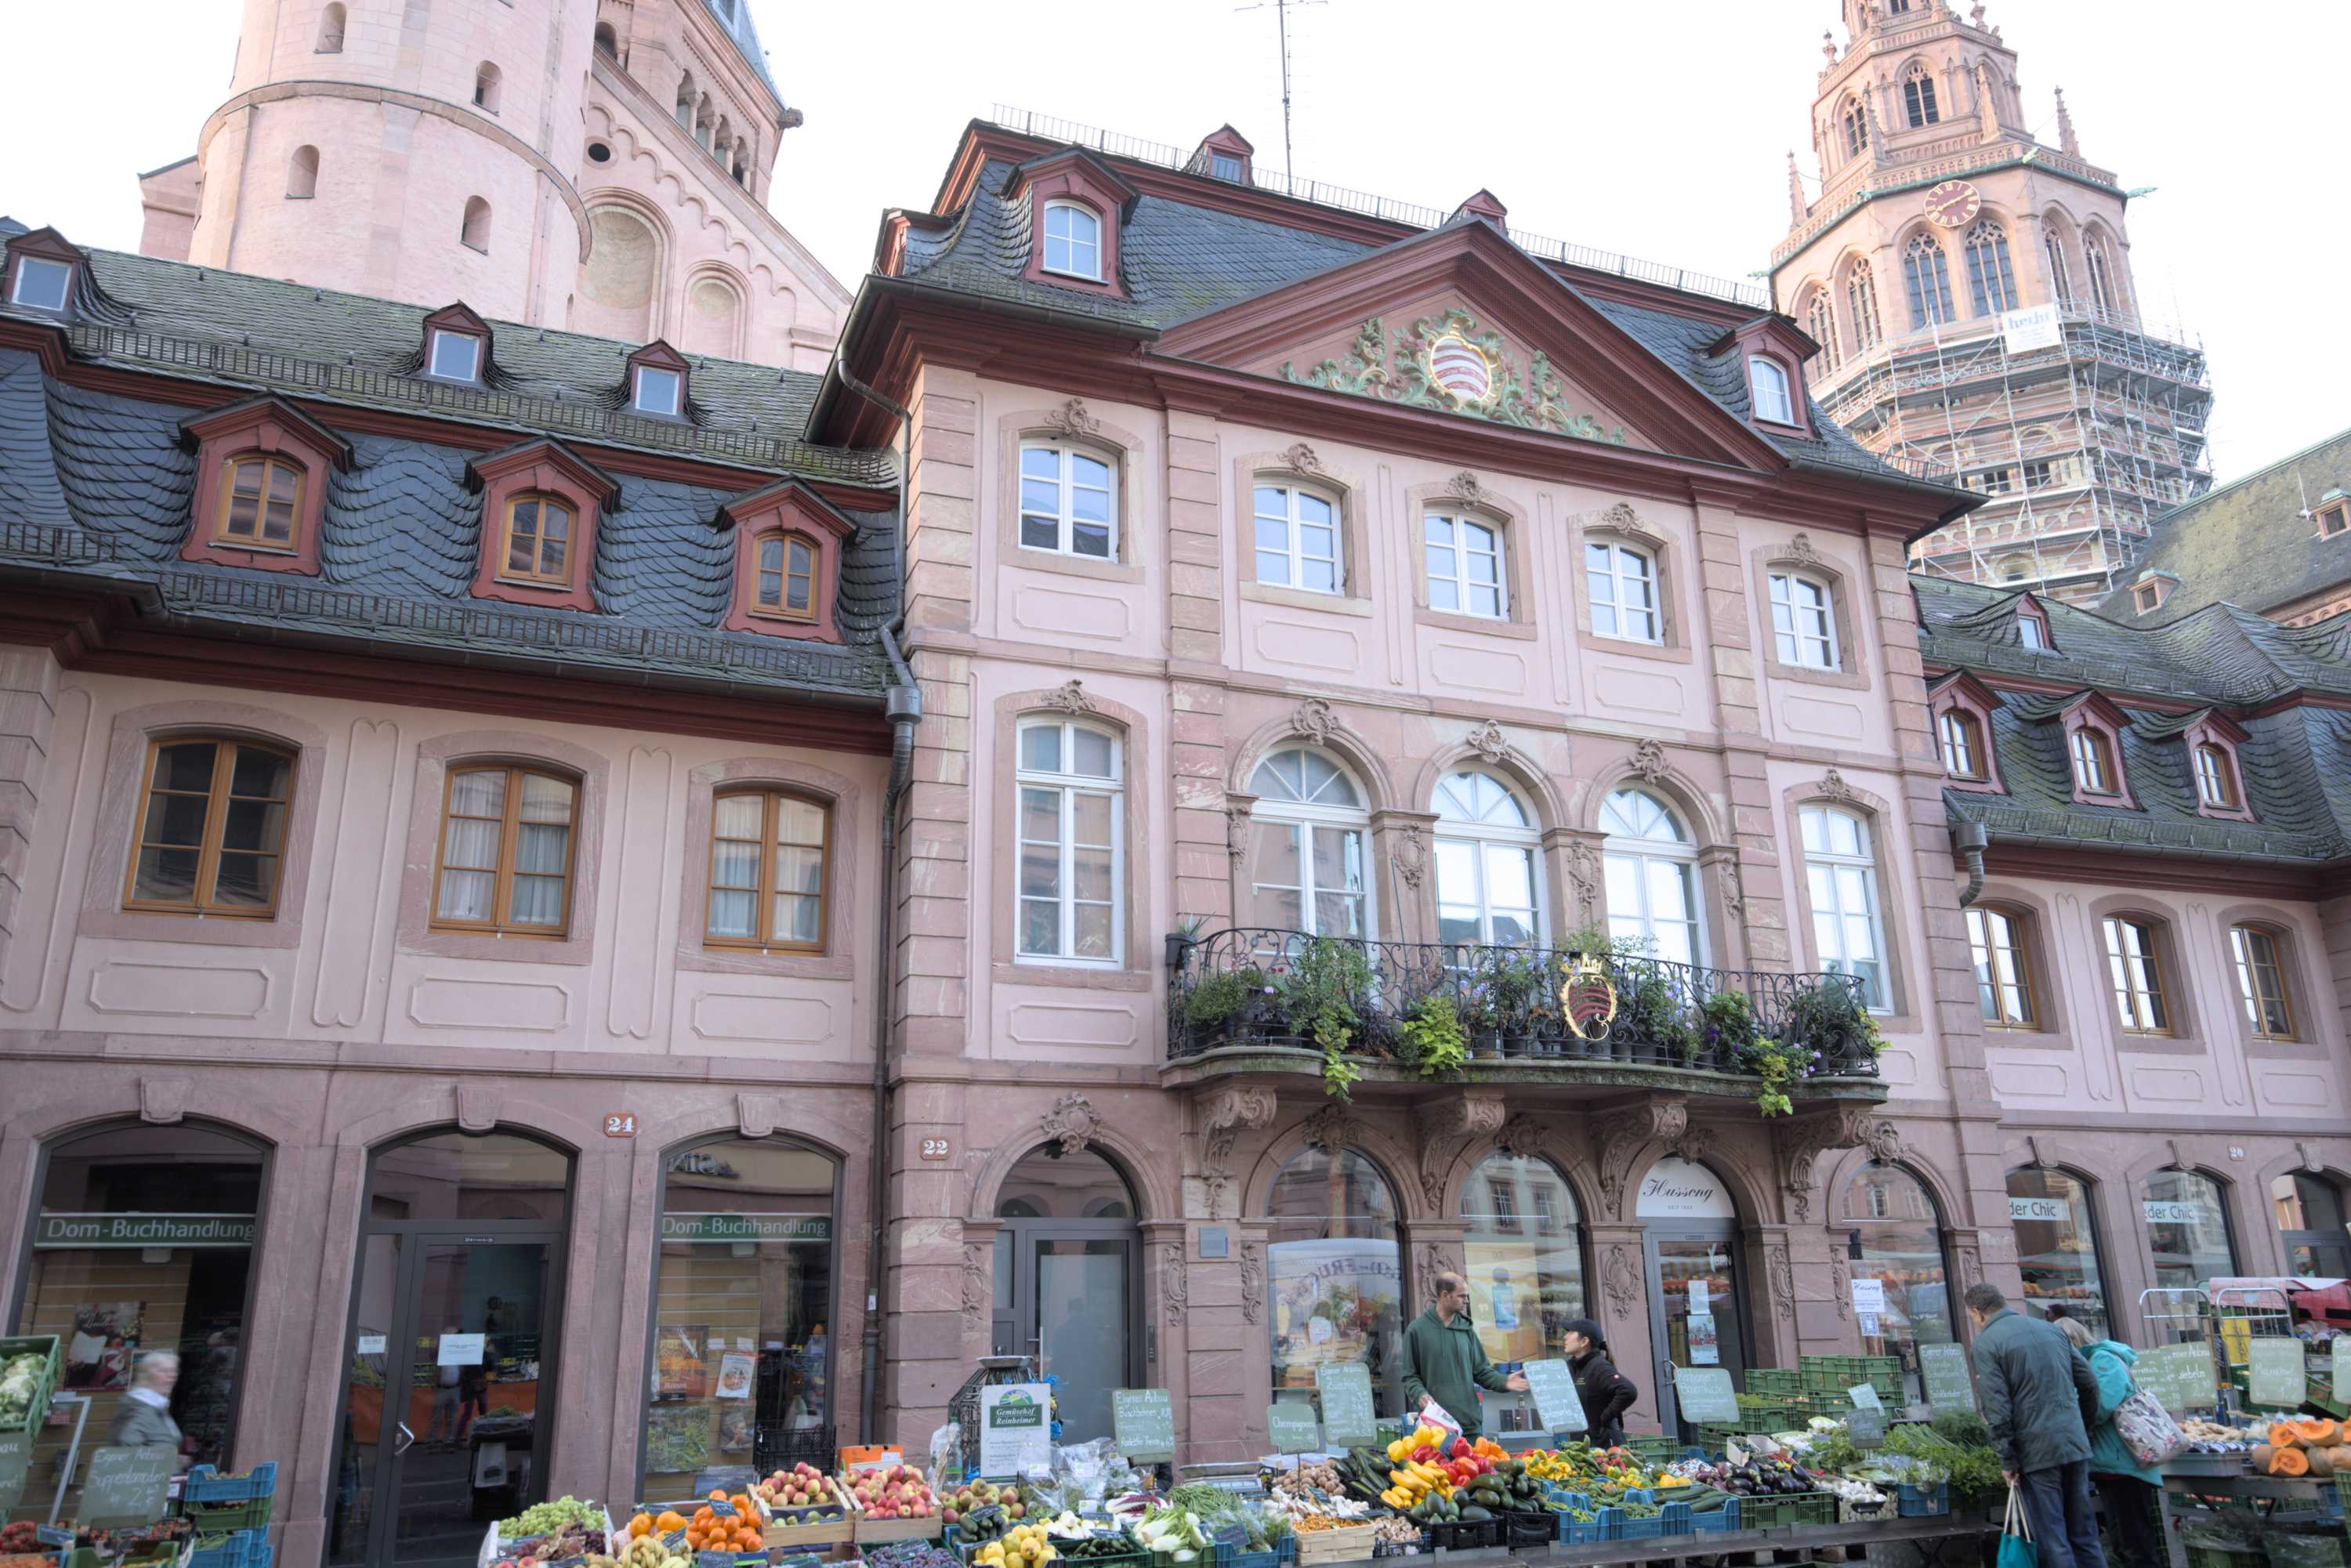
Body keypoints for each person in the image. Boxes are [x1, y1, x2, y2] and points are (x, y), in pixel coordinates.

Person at [1965, 1282, 2107, 1568]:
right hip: (2073, 1443)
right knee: (2085, 1534)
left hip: (2036, 1452)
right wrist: (2084, 1426)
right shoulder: (2052, 1330)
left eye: (1971, 1317)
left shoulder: (1986, 1344)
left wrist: (2007, 1460)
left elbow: (1997, 1408)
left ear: (1978, 1313)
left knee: (2053, 1538)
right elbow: (2090, 1383)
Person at [2057, 1318, 2162, 1568]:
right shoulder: (2087, 1364)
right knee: (2121, 1541)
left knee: (2136, 1542)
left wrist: (2070, 1402)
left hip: (2126, 1464)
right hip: (2109, 1467)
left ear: (2072, 1342)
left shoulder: (2103, 1360)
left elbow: (2102, 1406)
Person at [1399, 1270, 1527, 1439]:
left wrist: (1504, 1381)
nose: (1466, 1301)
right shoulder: (1416, 1330)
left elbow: (1482, 1372)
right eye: (1461, 1296)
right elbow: (1409, 1376)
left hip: (1470, 1427)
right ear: (1445, 1295)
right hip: (1434, 1428)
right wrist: (1420, 1394)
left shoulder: (1467, 1331)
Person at [1561, 1319, 1639, 1446]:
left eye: (1570, 1333)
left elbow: (1628, 1391)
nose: (1565, 1337)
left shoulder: (1599, 1366)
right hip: (1581, 1444)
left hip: (1604, 1447)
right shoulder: (1572, 1366)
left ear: (1584, 1341)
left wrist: (1604, 1418)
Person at [108, 1351, 185, 1466]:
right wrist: (166, 1460)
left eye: (174, 1371)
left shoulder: (157, 1406)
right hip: (142, 1480)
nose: (172, 1375)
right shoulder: (139, 1406)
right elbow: (127, 1446)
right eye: (165, 1371)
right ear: (148, 1375)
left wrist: (175, 1460)